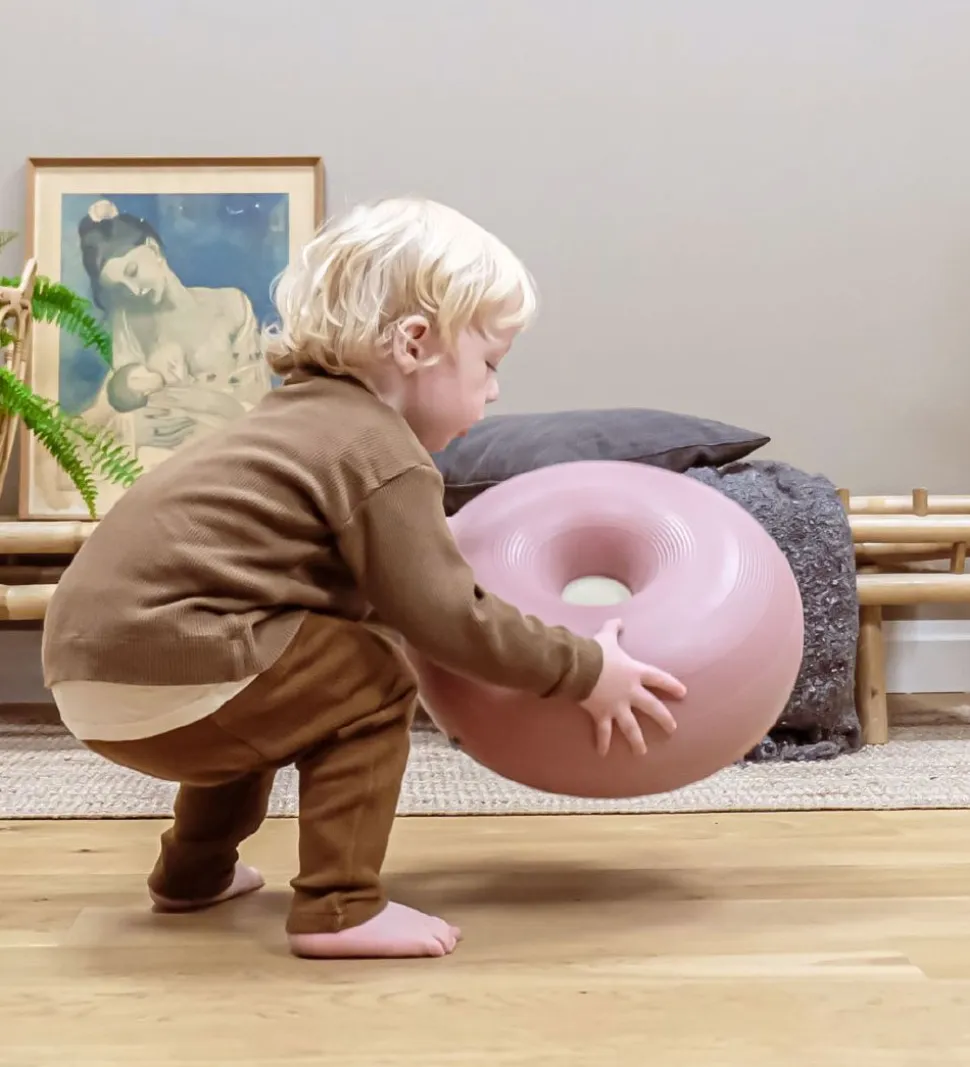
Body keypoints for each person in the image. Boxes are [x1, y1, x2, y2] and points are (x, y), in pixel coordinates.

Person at [41, 197, 686, 960]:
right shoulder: (379, 448)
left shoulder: (283, 420)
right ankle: (339, 905)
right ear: (414, 343)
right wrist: (586, 669)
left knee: (287, 678)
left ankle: (193, 872)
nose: (494, 391)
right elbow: (447, 618)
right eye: (490, 363)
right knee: (372, 676)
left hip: (86, 670)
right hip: (179, 653)